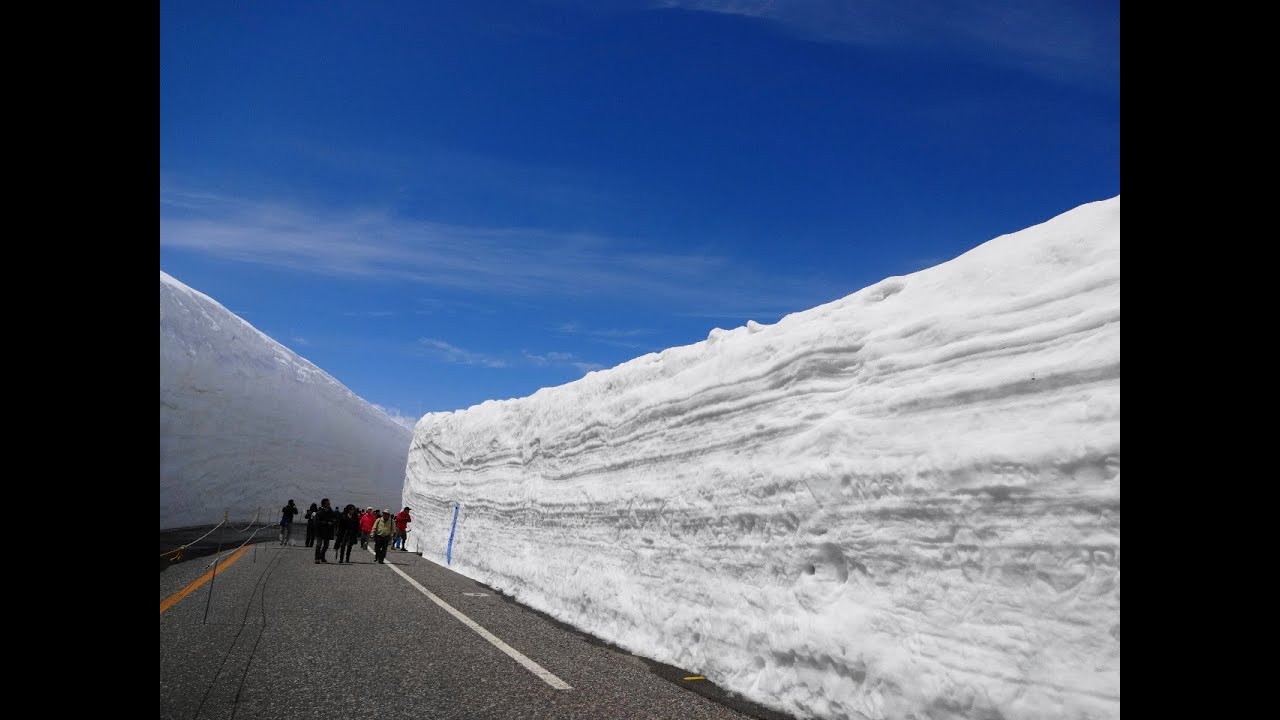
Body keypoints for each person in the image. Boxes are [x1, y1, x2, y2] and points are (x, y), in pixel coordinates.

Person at [313, 498, 336, 564]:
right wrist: (326, 523)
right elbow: (316, 521)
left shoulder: (331, 511)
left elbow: (334, 518)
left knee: (326, 545)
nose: (329, 504)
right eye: (328, 503)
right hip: (320, 531)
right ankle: (317, 558)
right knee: (319, 544)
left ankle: (322, 556)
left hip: (327, 531)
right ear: (324, 504)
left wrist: (333, 522)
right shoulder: (319, 512)